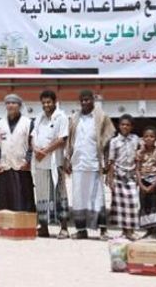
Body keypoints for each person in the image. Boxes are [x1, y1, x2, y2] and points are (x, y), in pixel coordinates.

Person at [64, 90, 116, 240]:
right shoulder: (74, 118)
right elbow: (70, 141)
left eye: (87, 100)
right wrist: (67, 159)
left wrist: (106, 161)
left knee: (97, 197)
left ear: (93, 100)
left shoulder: (101, 117)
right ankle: (81, 230)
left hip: (93, 163)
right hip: (78, 163)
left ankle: (103, 230)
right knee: (79, 197)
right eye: (82, 100)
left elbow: (107, 141)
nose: (85, 103)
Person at [31, 90, 70, 239]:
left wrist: (44, 152)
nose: (46, 105)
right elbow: (33, 136)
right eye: (44, 103)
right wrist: (35, 149)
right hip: (40, 163)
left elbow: (62, 139)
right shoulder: (39, 117)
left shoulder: (61, 117)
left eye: (49, 102)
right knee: (41, 196)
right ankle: (44, 228)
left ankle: (64, 228)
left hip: (55, 163)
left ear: (54, 102)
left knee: (59, 194)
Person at [0, 94, 36, 212]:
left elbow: (32, 144)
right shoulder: (0, 123)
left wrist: (28, 160)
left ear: (20, 106)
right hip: (5, 167)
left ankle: (24, 226)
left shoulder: (28, 123)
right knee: (5, 201)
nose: (10, 105)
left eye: (14, 103)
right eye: (8, 103)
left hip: (21, 166)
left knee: (23, 200)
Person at [108, 114, 140, 240]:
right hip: (119, 175)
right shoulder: (114, 141)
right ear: (119, 126)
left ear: (131, 127)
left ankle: (130, 230)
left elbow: (139, 155)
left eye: (127, 125)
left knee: (132, 204)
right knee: (120, 206)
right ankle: (124, 231)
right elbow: (111, 161)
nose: (125, 127)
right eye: (122, 124)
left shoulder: (135, 139)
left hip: (131, 175)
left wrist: (138, 174)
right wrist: (110, 178)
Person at [136, 126, 156, 239]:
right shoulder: (140, 153)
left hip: (155, 183)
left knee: (155, 207)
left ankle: (154, 231)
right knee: (145, 206)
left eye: (151, 136)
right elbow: (137, 169)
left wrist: (154, 184)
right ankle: (148, 230)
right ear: (143, 138)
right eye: (146, 136)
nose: (149, 139)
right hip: (143, 182)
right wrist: (141, 184)